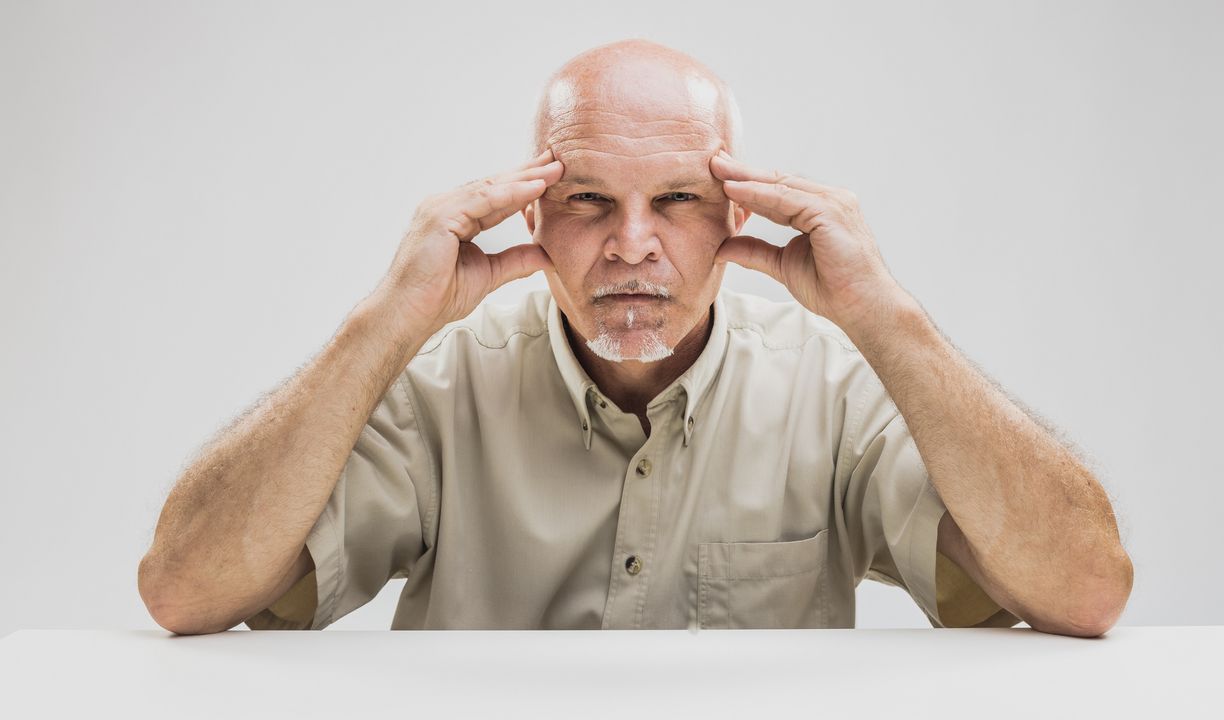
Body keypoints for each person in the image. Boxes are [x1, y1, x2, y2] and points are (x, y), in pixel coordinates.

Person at [137, 39, 1133, 636]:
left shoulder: (832, 389)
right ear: (529, 216)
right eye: (584, 199)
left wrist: (885, 312)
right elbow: (185, 593)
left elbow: (1083, 591)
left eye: (674, 200)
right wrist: (378, 325)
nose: (629, 244)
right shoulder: (443, 388)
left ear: (735, 212)